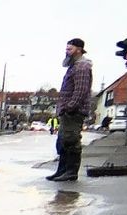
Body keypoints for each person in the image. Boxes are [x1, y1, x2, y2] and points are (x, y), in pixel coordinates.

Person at [46, 38, 93, 182]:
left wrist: (70, 107)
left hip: (74, 111)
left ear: (78, 49)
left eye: (69, 49)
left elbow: (81, 90)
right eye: (66, 49)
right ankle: (62, 171)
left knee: (71, 140)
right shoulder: (74, 66)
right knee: (64, 141)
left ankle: (71, 172)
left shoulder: (82, 67)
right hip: (68, 111)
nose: (67, 52)